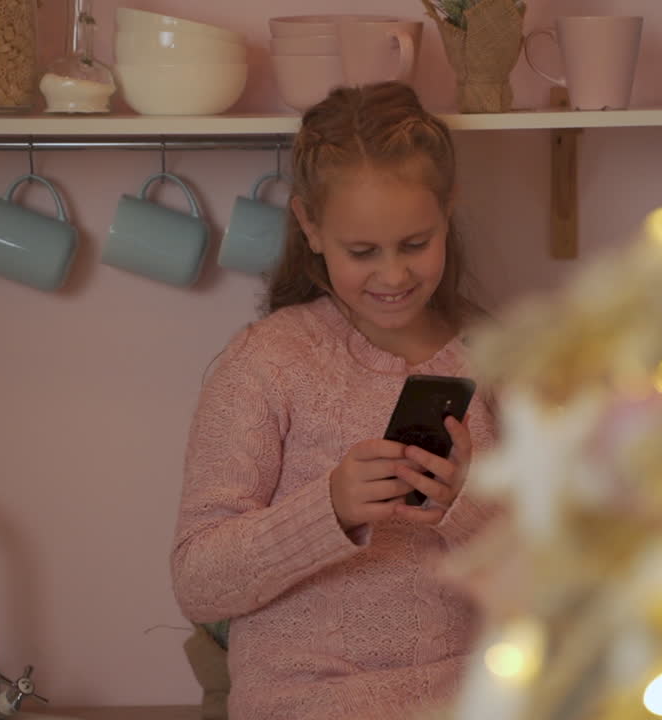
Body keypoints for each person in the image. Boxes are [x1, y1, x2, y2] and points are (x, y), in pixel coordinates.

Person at [171, 82, 500, 720]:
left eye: (414, 243)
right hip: (303, 704)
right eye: (363, 252)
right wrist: (329, 509)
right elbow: (197, 582)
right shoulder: (267, 362)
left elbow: (550, 580)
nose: (394, 274)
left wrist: (465, 506)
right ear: (310, 226)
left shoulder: (492, 361)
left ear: (448, 212)